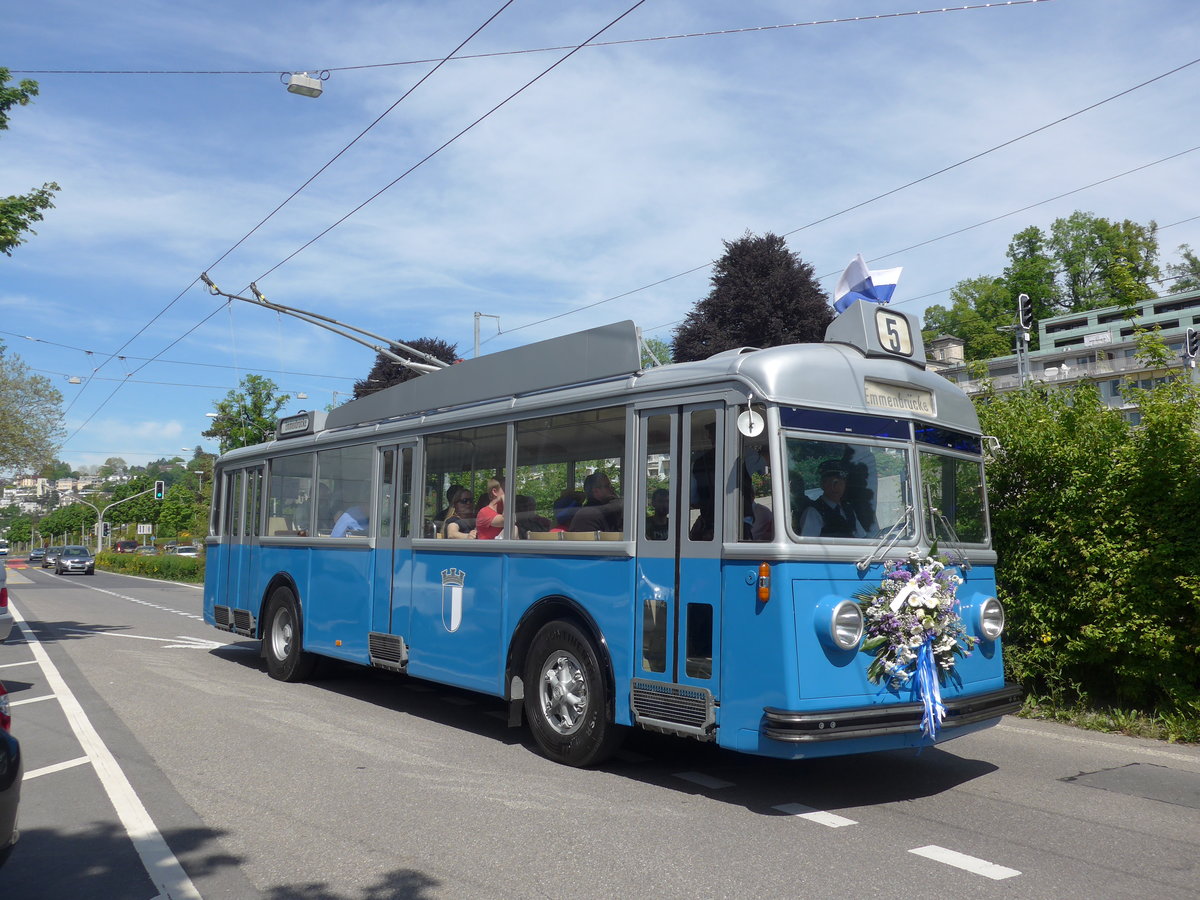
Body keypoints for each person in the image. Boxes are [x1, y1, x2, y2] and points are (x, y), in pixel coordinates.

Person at [799, 460, 865, 538]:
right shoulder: (813, 512)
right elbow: (808, 546)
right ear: (822, 484)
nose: (835, 487)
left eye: (839, 483)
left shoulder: (848, 509)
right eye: (831, 482)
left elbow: (862, 537)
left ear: (845, 484)